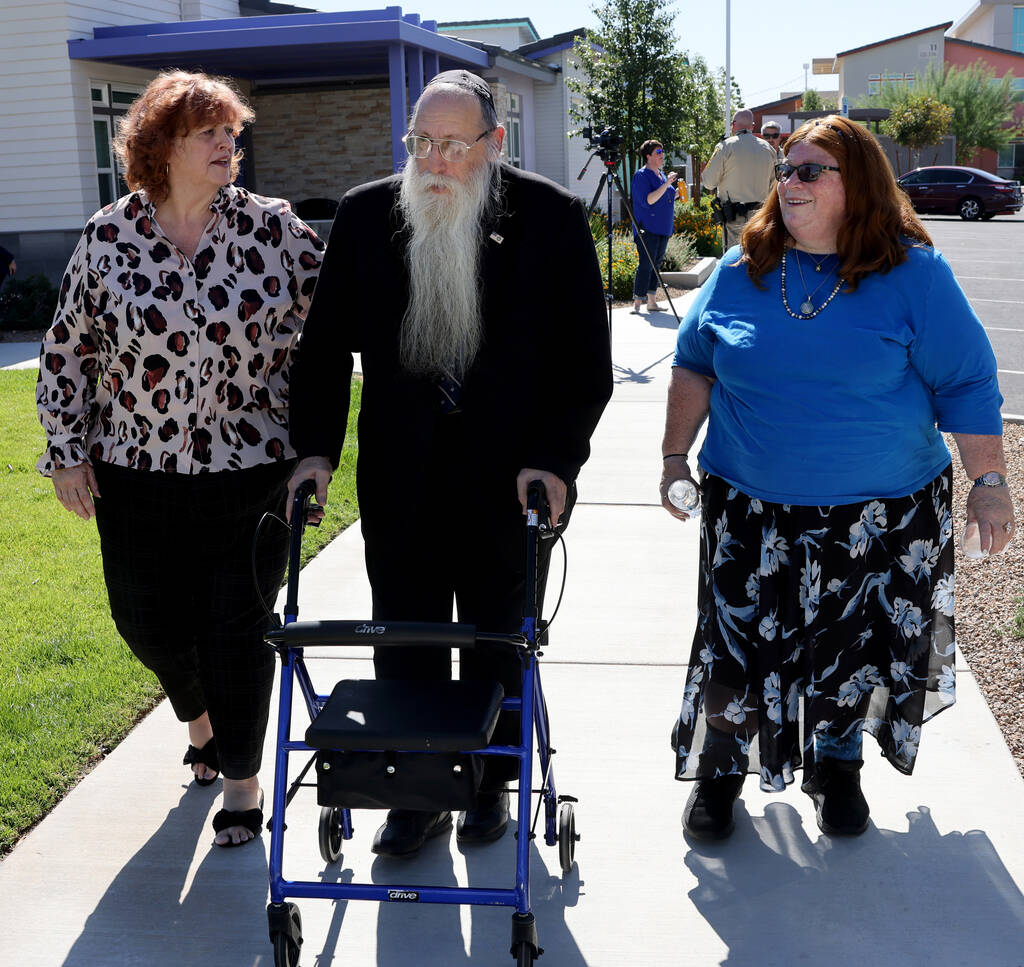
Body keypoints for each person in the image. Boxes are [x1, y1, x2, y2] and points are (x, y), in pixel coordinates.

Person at [660, 115, 1014, 842]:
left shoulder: (914, 276)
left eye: (809, 170)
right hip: (748, 510)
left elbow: (970, 382)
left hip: (875, 516)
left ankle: (837, 767)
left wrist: (988, 482)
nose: (789, 182)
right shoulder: (739, 269)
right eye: (786, 169)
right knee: (736, 644)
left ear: (859, 186)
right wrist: (673, 457)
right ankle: (721, 771)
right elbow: (693, 364)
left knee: (848, 648)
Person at [287, 70, 612, 857]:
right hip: (404, 474)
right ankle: (419, 793)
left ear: (493, 146)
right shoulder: (368, 217)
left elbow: (583, 363)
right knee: (406, 634)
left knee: (500, 636)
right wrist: (315, 453)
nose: (433, 162)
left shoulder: (551, 218)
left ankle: (492, 783)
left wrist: (555, 460)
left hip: (512, 477)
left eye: (452, 146)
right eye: (420, 144)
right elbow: (324, 350)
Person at [36, 70, 324, 848]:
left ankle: (240, 779)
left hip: (250, 467)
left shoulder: (275, 230)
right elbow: (68, 350)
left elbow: (333, 329)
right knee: (146, 620)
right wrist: (66, 453)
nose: (229, 142)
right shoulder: (109, 236)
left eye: (233, 129)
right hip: (135, 470)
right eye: (210, 132)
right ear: (162, 147)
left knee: (238, 626)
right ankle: (197, 722)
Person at [701, 109, 778, 250]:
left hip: (734, 219)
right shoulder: (768, 149)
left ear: (733, 124)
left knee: (734, 259)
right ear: (752, 126)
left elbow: (708, 182)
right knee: (759, 257)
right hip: (759, 217)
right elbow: (774, 186)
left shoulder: (725, 147)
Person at [630, 139, 678, 313]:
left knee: (656, 264)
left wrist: (674, 190)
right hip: (647, 227)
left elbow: (663, 198)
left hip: (663, 227)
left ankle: (651, 302)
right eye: (658, 152)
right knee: (646, 263)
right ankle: (637, 302)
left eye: (662, 151)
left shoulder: (661, 174)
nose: (662, 155)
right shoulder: (641, 175)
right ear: (648, 156)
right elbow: (648, 200)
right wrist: (666, 185)